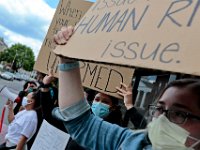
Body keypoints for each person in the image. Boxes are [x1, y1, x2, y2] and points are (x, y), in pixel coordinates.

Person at [53, 26, 200, 149]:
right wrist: (67, 59)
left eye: (179, 114)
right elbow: (82, 124)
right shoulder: (133, 143)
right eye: (159, 109)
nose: (161, 119)